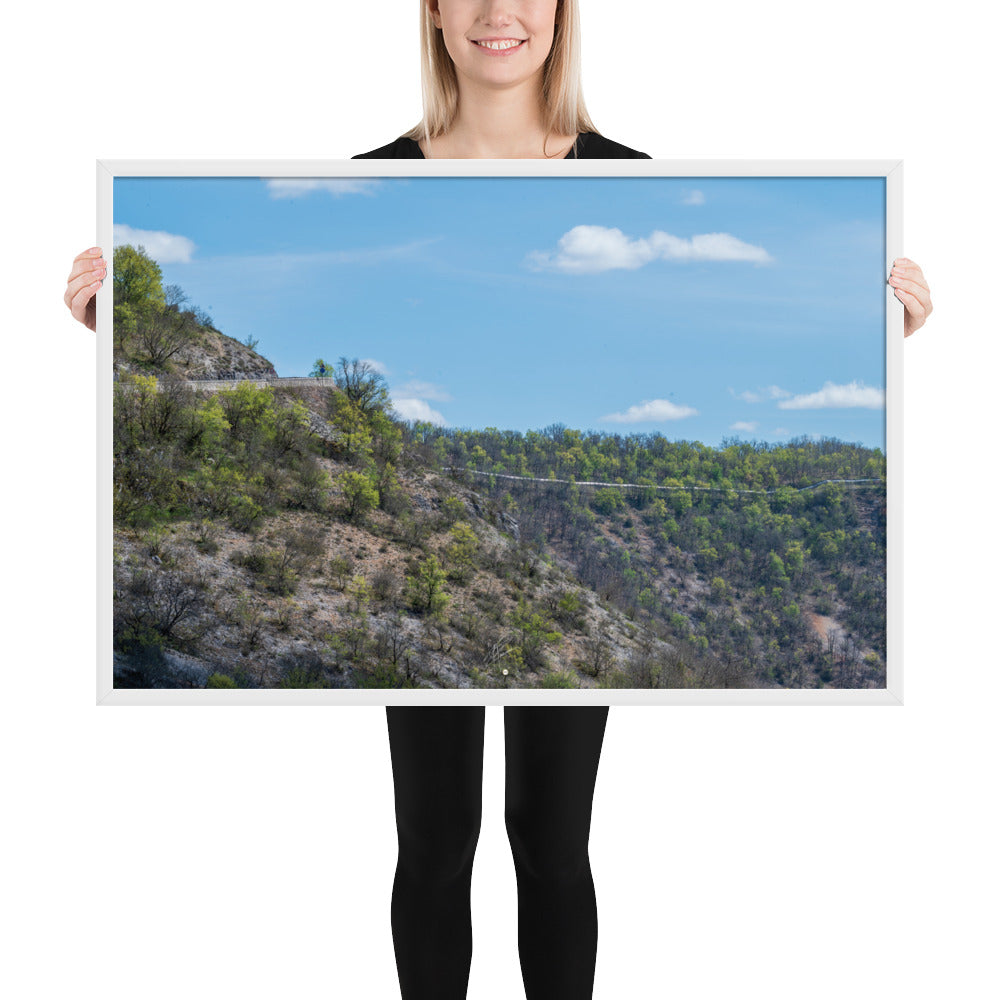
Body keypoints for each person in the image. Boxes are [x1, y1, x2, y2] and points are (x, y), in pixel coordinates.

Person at [64, 2, 933, 998]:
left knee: (552, 842)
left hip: (524, 580)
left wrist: (878, 344)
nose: (496, 13)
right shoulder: (373, 179)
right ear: (430, 14)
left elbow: (720, 333)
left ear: (563, 16)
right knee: (435, 842)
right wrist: (120, 337)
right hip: (440, 553)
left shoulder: (625, 179)